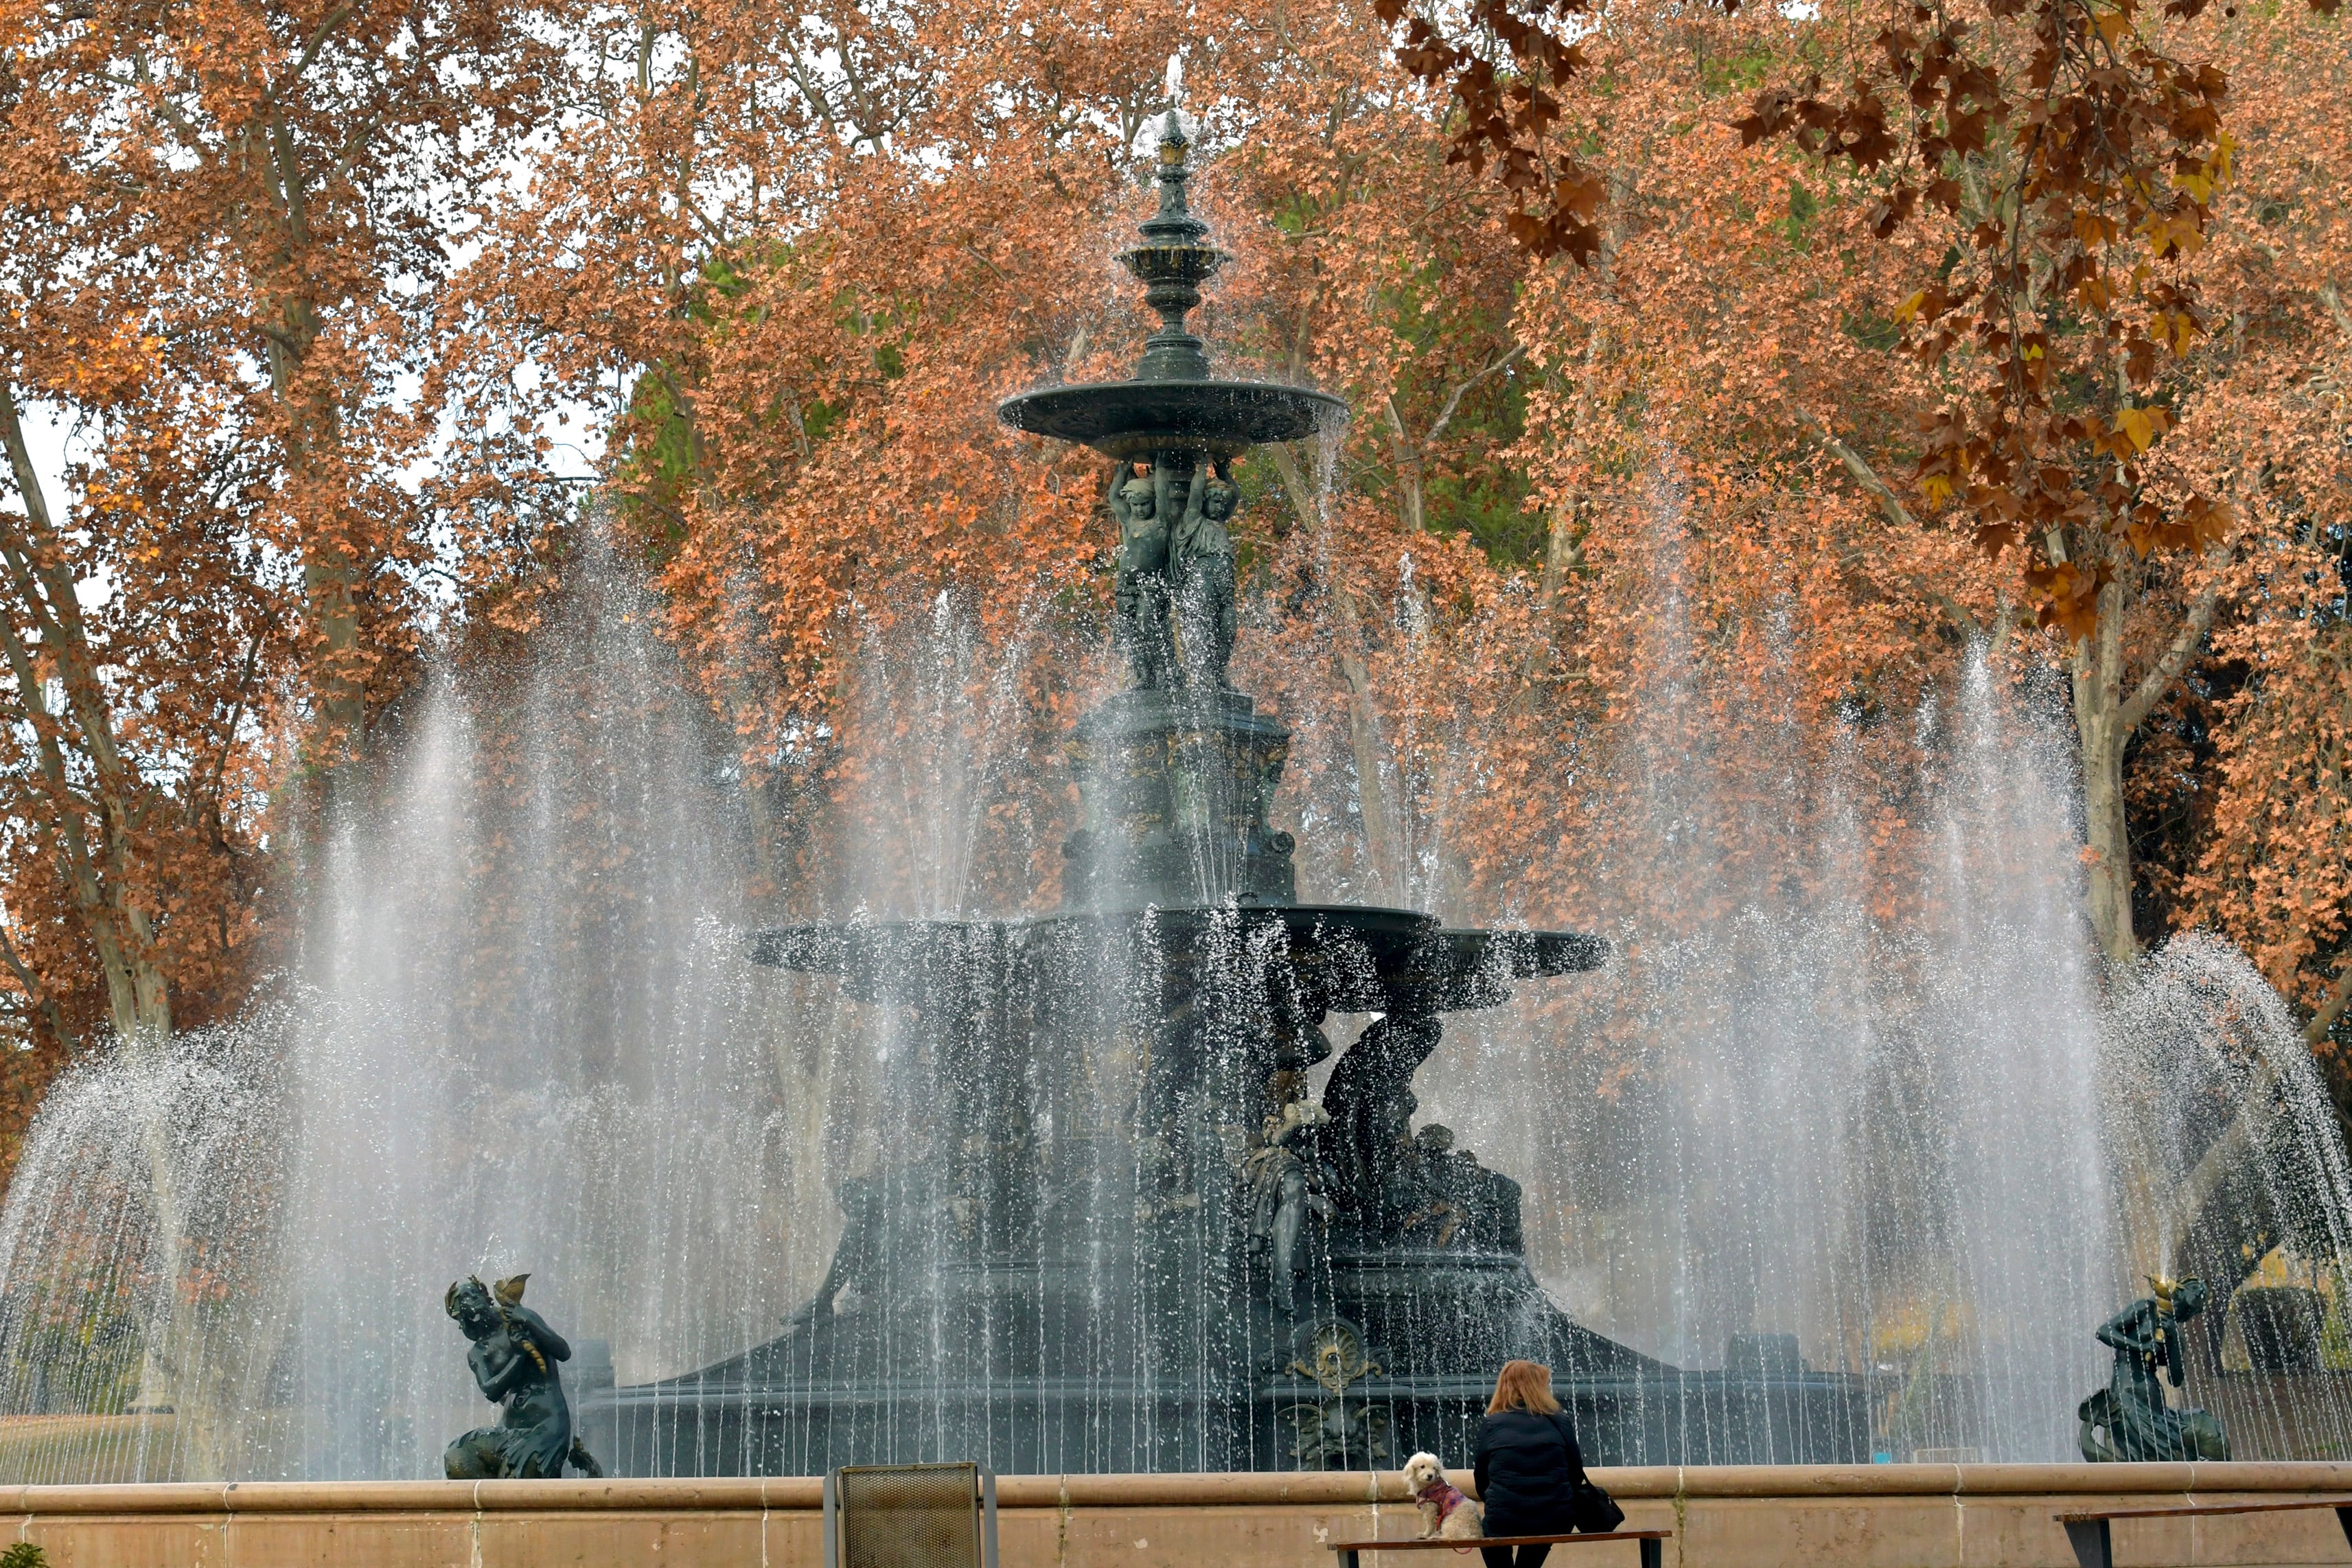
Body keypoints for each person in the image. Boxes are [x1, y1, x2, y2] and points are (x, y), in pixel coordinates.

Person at [1473, 1359, 1587, 1568]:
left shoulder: (1492, 1424)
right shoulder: (1560, 1421)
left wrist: (1501, 1500)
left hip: (1505, 1517)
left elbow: (1481, 1479)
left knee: (1492, 1535)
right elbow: (1576, 1472)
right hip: (1554, 1516)